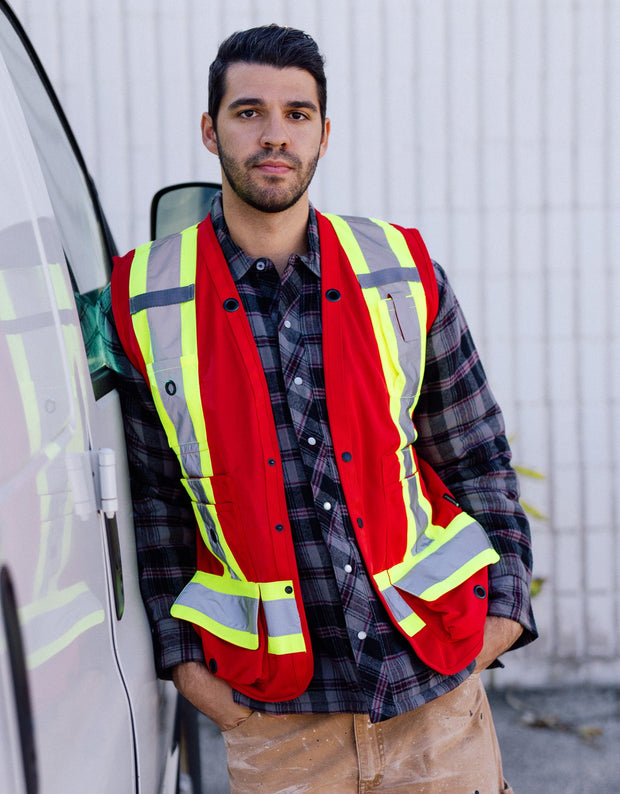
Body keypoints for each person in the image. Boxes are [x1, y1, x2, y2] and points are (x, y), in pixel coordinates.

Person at [100, 24, 537, 793]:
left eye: (298, 115)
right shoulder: (145, 299)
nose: (275, 135)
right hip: (276, 723)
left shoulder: (399, 269)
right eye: (249, 112)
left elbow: (474, 455)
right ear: (210, 130)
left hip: (433, 698)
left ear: (325, 134)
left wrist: (498, 618)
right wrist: (192, 673)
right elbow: (156, 512)